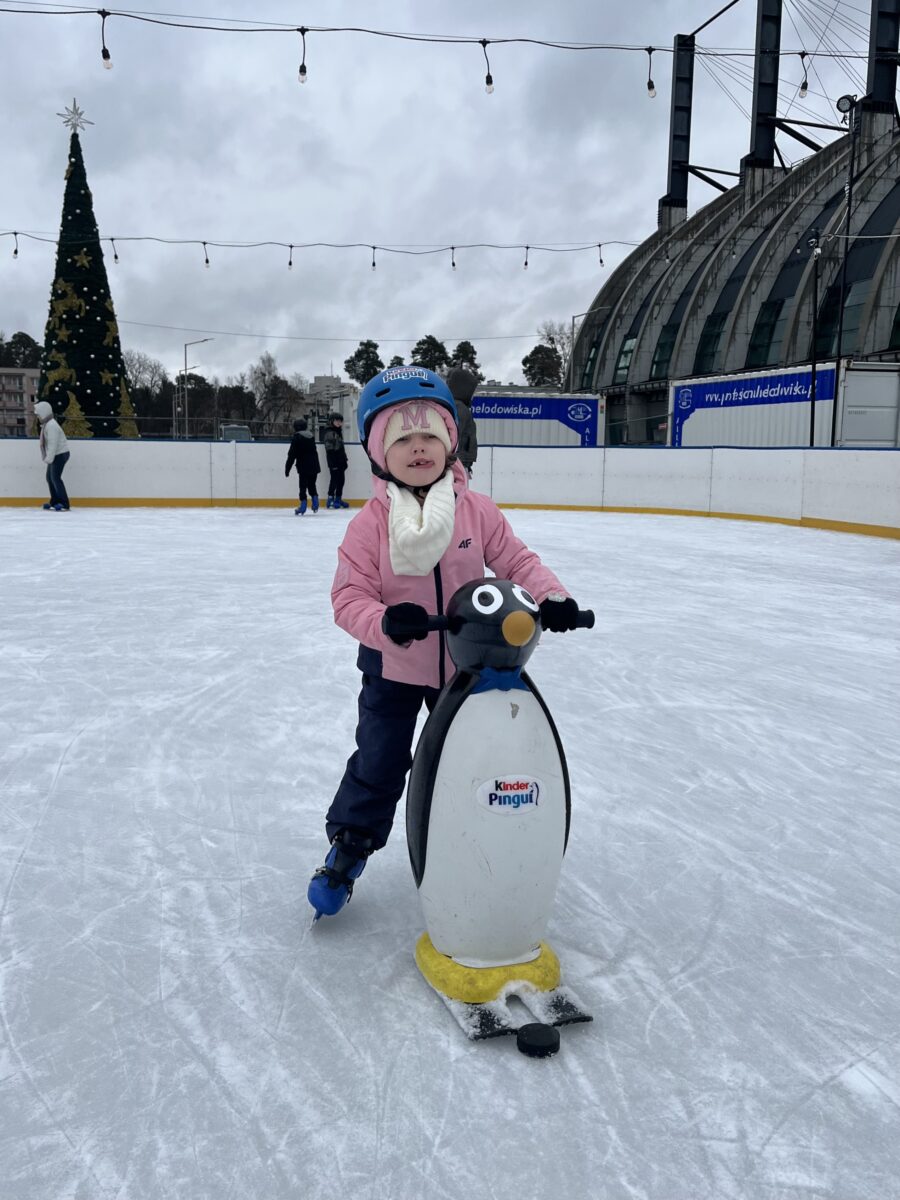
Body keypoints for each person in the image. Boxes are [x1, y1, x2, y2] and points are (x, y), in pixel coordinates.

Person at [307, 366, 582, 919]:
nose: (418, 448)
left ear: (451, 441)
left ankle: (471, 845)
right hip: (393, 667)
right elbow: (348, 597)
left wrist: (550, 597)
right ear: (378, 450)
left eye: (430, 435)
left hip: (468, 666)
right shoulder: (369, 525)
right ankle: (350, 846)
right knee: (381, 762)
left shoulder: (476, 511)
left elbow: (515, 560)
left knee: (472, 760)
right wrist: (385, 623)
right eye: (402, 438)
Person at [34, 400, 71, 511]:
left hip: (60, 454)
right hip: (56, 454)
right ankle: (55, 501)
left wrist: (49, 458)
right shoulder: (47, 425)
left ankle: (64, 503)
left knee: (55, 478)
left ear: (44, 413)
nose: (38, 416)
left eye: (39, 414)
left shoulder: (51, 426)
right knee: (49, 478)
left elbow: (53, 444)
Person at [446, 366, 479, 476]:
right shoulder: (459, 408)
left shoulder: (456, 407)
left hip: (458, 461)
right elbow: (454, 438)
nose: (472, 395)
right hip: (456, 463)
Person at [284, 418, 321, 514]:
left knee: (303, 486)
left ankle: (303, 506)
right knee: (312, 484)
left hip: (303, 467)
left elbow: (291, 455)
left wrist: (287, 469)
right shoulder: (311, 437)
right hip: (314, 466)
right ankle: (315, 502)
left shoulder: (297, 438)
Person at [322, 412, 350, 509]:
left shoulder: (338, 431)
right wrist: (333, 462)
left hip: (340, 460)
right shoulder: (329, 432)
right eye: (337, 421)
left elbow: (341, 447)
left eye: (340, 421)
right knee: (334, 479)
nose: (339, 423)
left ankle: (338, 499)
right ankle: (330, 498)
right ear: (331, 421)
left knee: (341, 480)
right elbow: (330, 449)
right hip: (334, 460)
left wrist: (344, 459)